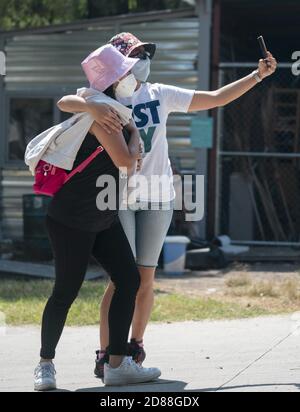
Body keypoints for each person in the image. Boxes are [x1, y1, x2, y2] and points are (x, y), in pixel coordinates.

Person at [57, 33, 277, 378]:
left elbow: (216, 98)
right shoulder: (100, 96)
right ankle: (105, 353)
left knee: (146, 277)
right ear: (119, 64)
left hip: (159, 195)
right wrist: (90, 105)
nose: (143, 61)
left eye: (146, 54)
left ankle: (134, 345)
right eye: (135, 55)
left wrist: (258, 76)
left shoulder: (159, 94)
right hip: (117, 195)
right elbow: (66, 102)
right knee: (119, 278)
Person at [33, 44, 161, 391]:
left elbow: (70, 99)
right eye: (124, 73)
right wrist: (135, 137)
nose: (131, 76)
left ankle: (117, 364)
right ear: (112, 80)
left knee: (128, 280)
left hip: (103, 218)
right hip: (71, 220)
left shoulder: (107, 107)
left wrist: (94, 105)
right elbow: (125, 161)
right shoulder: (104, 116)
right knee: (66, 291)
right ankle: (45, 364)